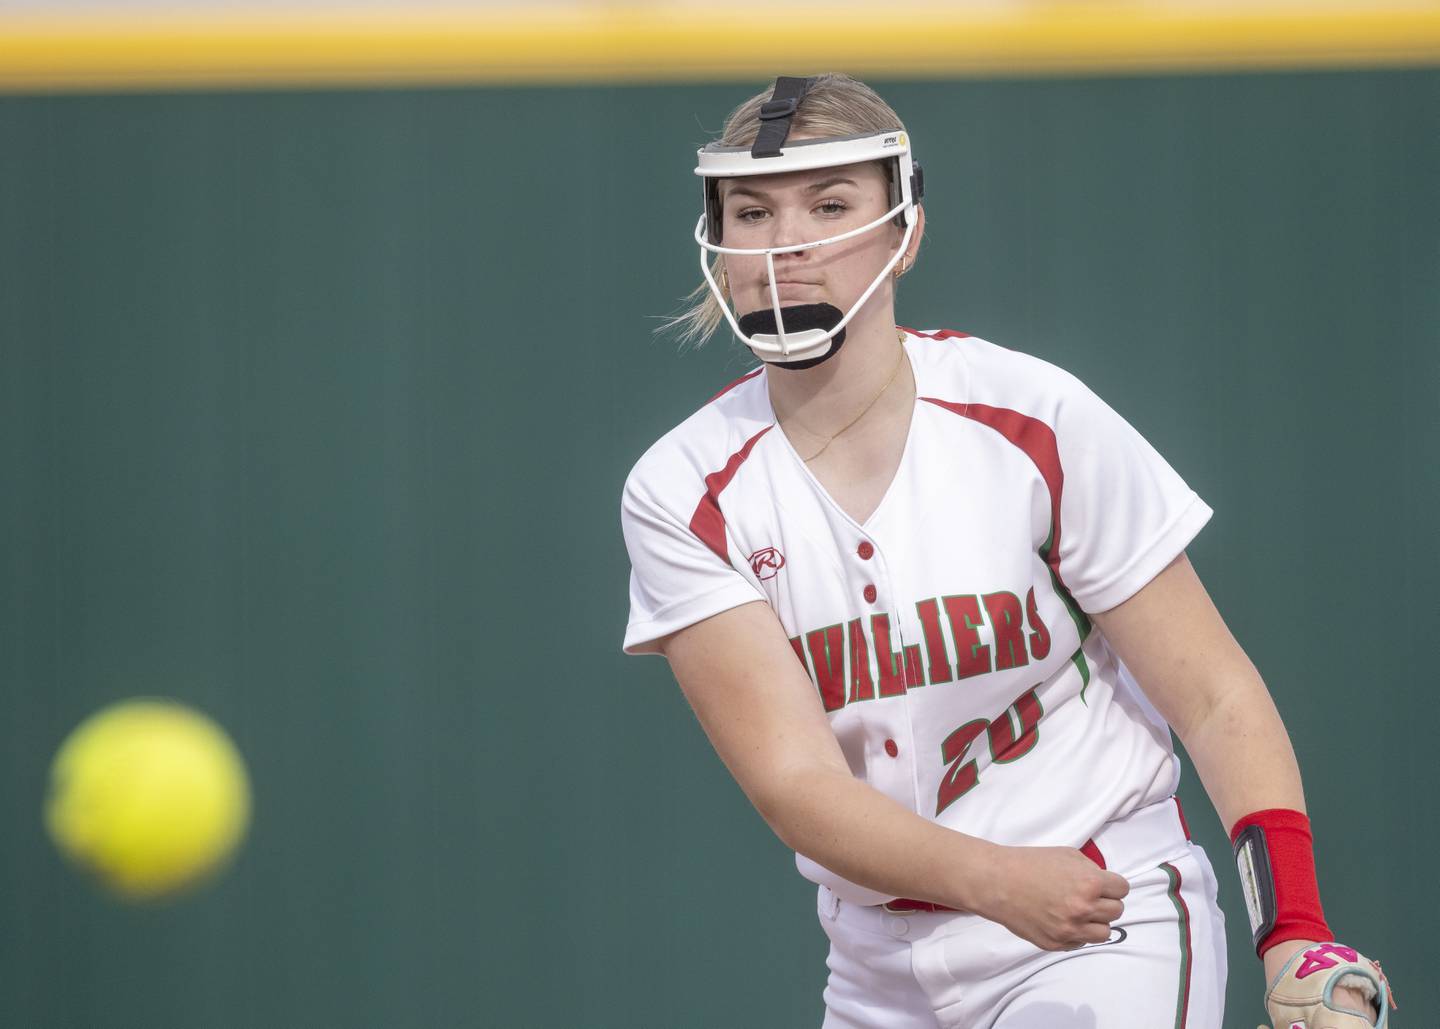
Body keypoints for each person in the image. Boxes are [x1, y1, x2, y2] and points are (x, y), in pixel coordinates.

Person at [620, 73, 1391, 1028]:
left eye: (829, 204)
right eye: (752, 211)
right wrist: (990, 881)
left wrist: (1294, 929)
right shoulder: (684, 489)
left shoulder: (1031, 420)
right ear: (718, 246)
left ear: (905, 229)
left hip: (1105, 914)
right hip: (876, 965)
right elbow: (796, 784)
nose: (788, 244)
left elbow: (1214, 692)